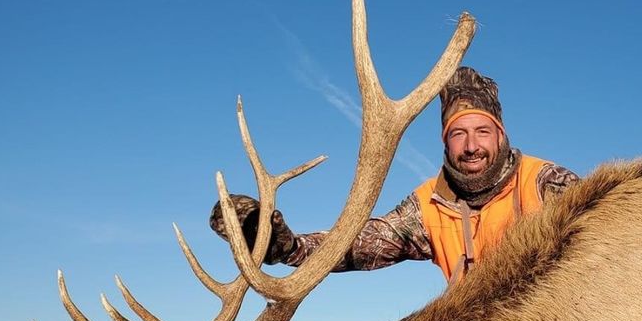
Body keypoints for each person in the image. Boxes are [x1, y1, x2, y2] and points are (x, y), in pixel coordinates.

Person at [210, 66, 578, 286]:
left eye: (482, 131)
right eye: (458, 134)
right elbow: (359, 244)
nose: (471, 146)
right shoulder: (431, 205)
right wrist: (286, 246)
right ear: (445, 143)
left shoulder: (546, 185)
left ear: (500, 134)